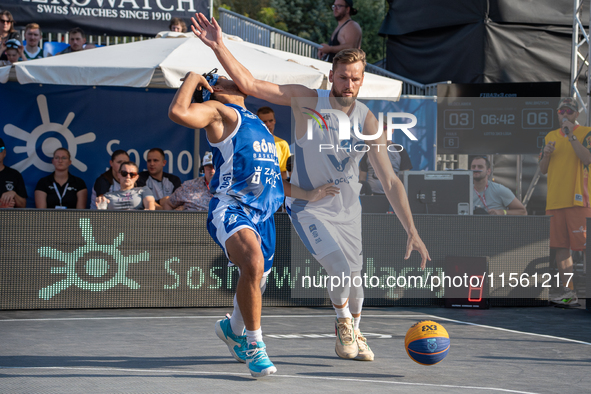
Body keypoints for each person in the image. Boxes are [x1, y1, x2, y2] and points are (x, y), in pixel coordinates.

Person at [191, 13, 429, 363]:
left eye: (356, 79)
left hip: (348, 211)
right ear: (332, 76)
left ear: (362, 82)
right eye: (343, 77)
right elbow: (250, 83)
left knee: (356, 285)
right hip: (309, 207)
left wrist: (412, 229)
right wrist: (218, 45)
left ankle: (353, 329)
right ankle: (343, 324)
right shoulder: (306, 99)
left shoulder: (367, 120)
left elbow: (391, 181)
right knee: (340, 272)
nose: (349, 84)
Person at [168, 66, 337, 377]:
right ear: (215, 88)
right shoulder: (220, 111)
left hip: (265, 214)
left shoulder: (258, 122)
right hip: (233, 207)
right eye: (220, 76)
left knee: (256, 278)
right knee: (254, 264)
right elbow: (178, 112)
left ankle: (232, 329)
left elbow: (272, 179)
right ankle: (254, 345)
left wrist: (308, 195)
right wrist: (195, 77)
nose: (232, 75)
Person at [539, 97, 591, 307]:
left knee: (586, 248)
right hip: (555, 201)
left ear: (577, 114)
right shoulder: (550, 136)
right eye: (561, 112)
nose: (565, 115)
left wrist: (571, 137)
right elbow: (542, 169)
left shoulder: (586, 132)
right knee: (561, 248)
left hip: (580, 200)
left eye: (569, 111)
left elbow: (587, 159)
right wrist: (547, 156)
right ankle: (569, 293)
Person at [256, 107, 291, 180]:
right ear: (259, 122)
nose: (268, 124)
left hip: (276, 188)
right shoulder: (253, 142)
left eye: (270, 121)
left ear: (274, 121)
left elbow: (283, 173)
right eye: (264, 121)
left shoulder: (282, 144)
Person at [0, 138, 27, 208]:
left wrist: (14, 194)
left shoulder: (14, 175)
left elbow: (23, 205)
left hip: (10, 218)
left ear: (4, 153)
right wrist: (2, 206)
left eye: (0, 149)